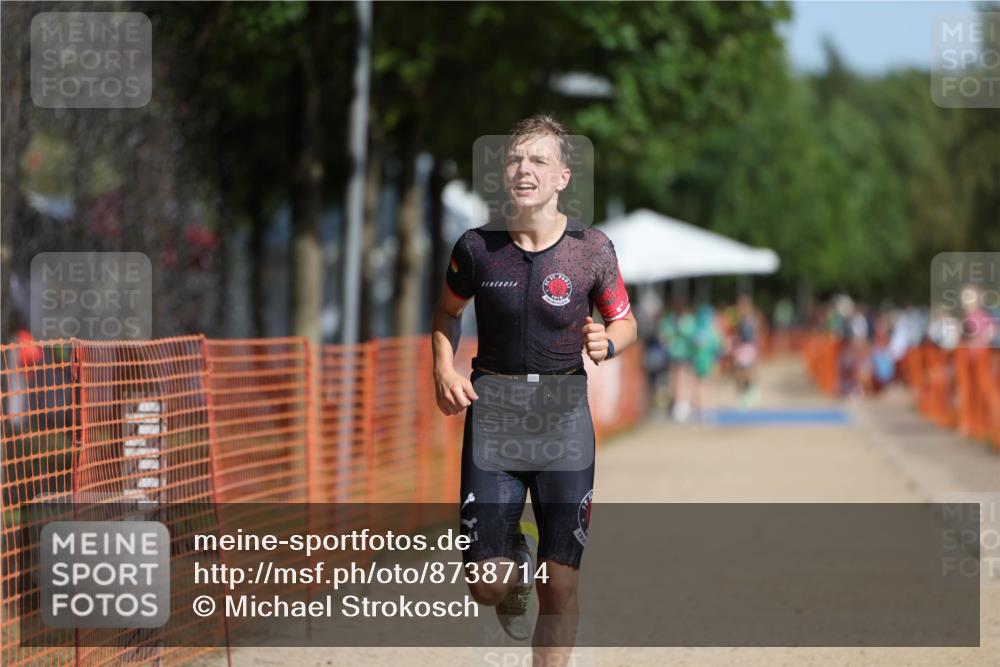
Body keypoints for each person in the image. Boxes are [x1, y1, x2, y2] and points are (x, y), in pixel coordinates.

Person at [431, 114, 637, 666]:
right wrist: (444, 370)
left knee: (562, 585)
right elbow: (447, 314)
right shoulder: (476, 248)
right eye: (517, 159)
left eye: (539, 160)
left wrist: (608, 343)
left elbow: (625, 321)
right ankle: (514, 564)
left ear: (563, 177)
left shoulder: (591, 249)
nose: (525, 169)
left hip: (563, 417)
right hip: (494, 415)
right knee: (486, 585)